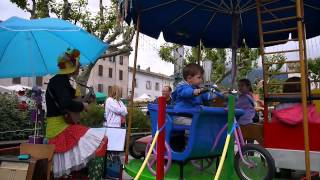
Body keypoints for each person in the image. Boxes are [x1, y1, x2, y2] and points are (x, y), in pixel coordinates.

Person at [45, 48, 107, 178]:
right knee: (100, 139)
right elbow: (66, 103)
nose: (79, 68)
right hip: (59, 129)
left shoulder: (62, 81)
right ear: (72, 66)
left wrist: (85, 99)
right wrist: (83, 105)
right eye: (78, 66)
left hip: (62, 126)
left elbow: (69, 99)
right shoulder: (59, 81)